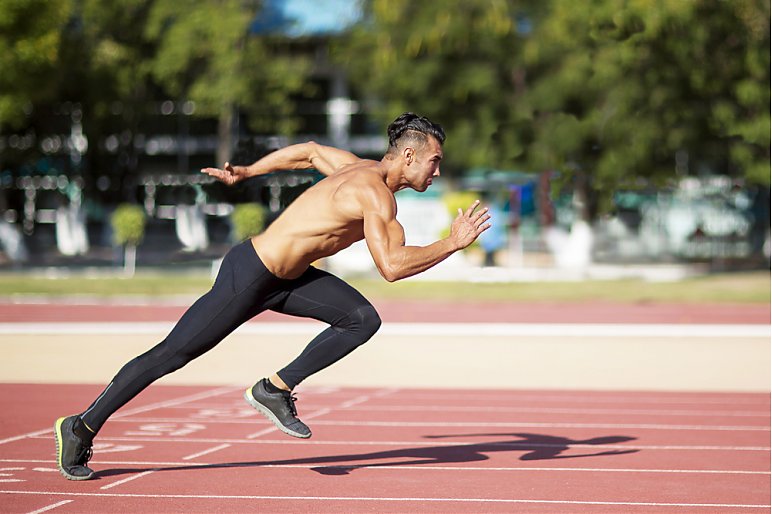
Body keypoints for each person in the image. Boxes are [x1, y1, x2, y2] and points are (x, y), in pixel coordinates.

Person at [54, 112, 491, 480]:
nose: (436, 172)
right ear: (409, 155)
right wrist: (452, 243)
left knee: (361, 318)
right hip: (251, 274)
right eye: (434, 162)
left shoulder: (356, 168)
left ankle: (274, 388)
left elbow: (309, 151)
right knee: (171, 354)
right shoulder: (372, 192)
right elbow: (392, 267)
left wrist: (248, 171)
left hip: (289, 279)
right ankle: (82, 425)